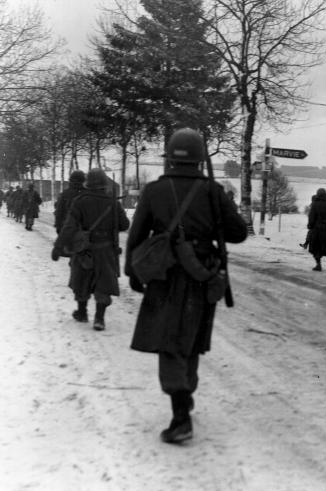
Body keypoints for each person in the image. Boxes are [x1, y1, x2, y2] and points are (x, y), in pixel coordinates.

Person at [125, 127, 247, 444]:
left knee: (169, 342)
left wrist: (134, 274)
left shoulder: (154, 190)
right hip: (202, 275)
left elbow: (136, 236)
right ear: (199, 160)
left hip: (164, 277)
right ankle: (185, 396)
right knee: (191, 339)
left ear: (170, 159)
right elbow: (238, 233)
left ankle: (181, 417)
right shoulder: (213, 190)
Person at [52, 168, 130, 330]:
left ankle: (82, 313)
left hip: (83, 249)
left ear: (89, 184)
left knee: (81, 280)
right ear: (104, 184)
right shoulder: (112, 202)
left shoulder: (80, 201)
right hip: (106, 250)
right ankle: (99, 319)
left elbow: (69, 227)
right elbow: (125, 225)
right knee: (104, 283)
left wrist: (59, 247)